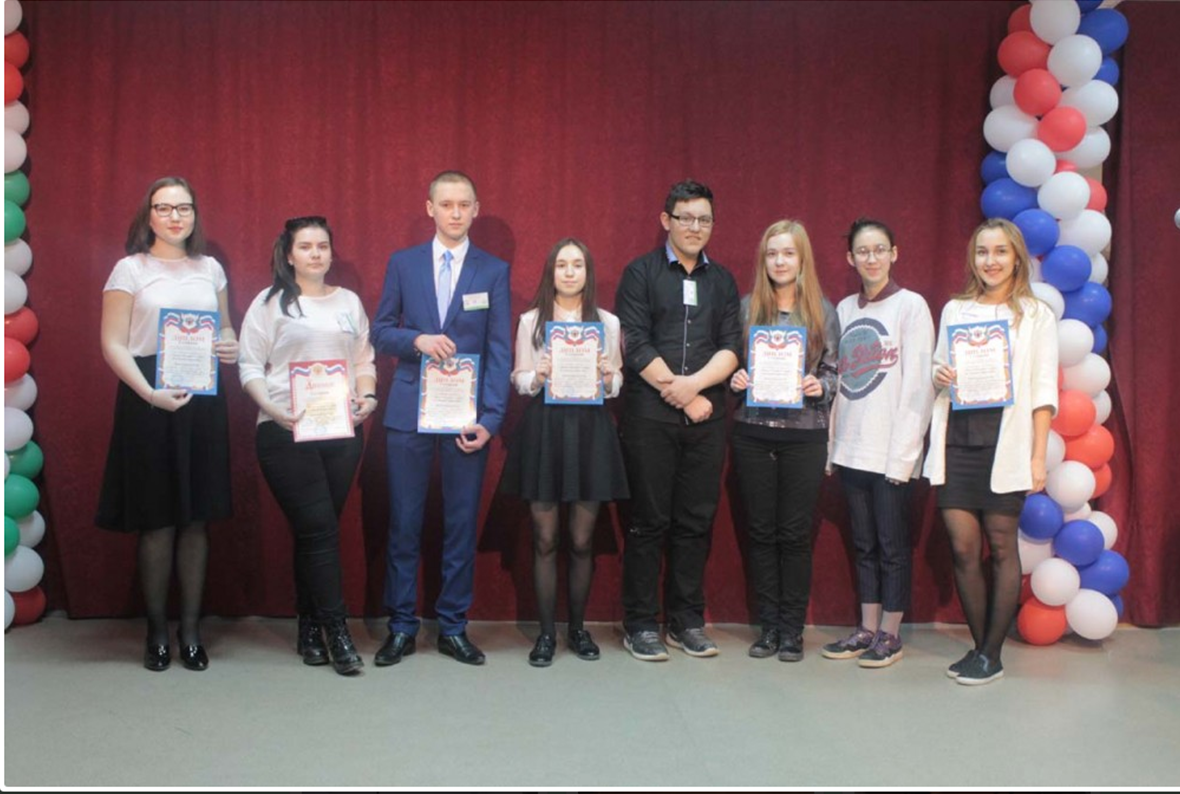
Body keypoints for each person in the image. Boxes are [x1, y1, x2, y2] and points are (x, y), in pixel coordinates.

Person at [96, 176, 238, 672]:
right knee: (157, 520)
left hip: (202, 399)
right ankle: (157, 632)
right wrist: (150, 393)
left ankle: (191, 632)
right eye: (164, 208)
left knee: (196, 520)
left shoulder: (210, 268)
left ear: (195, 214)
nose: (175, 217)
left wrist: (229, 344)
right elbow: (113, 343)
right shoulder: (130, 269)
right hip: (148, 398)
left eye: (184, 208)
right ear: (149, 215)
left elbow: (225, 328)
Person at [371, 171, 511, 666]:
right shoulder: (403, 263)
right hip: (409, 411)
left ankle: (453, 626)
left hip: (466, 416)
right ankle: (401, 626)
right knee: (404, 523)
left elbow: (499, 350)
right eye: (446, 204)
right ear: (429, 208)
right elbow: (380, 331)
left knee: (459, 524)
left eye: (463, 204)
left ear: (476, 209)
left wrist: (491, 419)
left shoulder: (493, 270)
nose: (455, 212)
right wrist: (417, 340)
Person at [238, 216, 377, 676]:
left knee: (315, 531)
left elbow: (364, 360)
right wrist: (271, 408)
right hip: (284, 431)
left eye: (322, 246)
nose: (315, 254)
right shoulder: (269, 303)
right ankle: (337, 631)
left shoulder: (349, 302)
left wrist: (368, 397)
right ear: (289, 254)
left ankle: (308, 627)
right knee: (319, 530)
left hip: (341, 433)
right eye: (306, 246)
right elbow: (249, 365)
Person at [924, 218, 1058, 685]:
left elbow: (1043, 391)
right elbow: (938, 368)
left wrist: (1037, 457)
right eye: (983, 252)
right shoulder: (956, 309)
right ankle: (981, 649)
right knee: (963, 548)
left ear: (1016, 258)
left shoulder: (1036, 315)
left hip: (1007, 445)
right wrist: (939, 375)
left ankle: (991, 654)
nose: (991, 261)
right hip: (957, 442)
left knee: (1001, 547)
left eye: (1001, 251)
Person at [614, 179, 741, 661]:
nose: (695, 227)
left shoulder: (722, 281)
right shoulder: (641, 273)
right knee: (647, 521)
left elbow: (731, 346)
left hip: (707, 418)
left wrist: (696, 388)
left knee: (696, 522)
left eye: (704, 219)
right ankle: (641, 623)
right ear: (666, 220)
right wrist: (683, 396)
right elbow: (634, 342)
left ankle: (687, 620)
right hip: (650, 416)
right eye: (686, 218)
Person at [499, 238, 629, 666]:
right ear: (550, 272)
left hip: (590, 431)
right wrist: (537, 375)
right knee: (545, 538)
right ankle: (545, 634)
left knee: (582, 539)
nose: (570, 272)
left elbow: (616, 384)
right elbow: (518, 378)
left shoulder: (607, 322)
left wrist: (608, 375)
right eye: (562, 265)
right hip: (545, 429)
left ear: (588, 273)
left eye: (577, 265)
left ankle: (577, 629)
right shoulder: (531, 320)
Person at [823, 218, 935, 668]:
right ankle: (867, 628)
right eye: (862, 251)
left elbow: (919, 387)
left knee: (892, 546)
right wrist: (832, 447)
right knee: (864, 545)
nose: (871, 258)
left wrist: (904, 456)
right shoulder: (844, 310)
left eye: (879, 249)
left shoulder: (911, 306)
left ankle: (891, 633)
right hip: (852, 449)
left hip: (891, 453)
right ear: (850, 258)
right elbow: (838, 383)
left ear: (894, 253)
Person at [728, 219, 839, 662]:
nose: (779, 261)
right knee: (760, 532)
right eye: (772, 253)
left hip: (804, 435)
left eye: (788, 253)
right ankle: (768, 628)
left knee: (794, 534)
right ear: (764, 259)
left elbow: (834, 372)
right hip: (752, 433)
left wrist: (820, 385)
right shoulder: (746, 308)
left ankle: (792, 631)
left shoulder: (823, 311)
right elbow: (730, 363)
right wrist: (736, 379)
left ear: (802, 259)